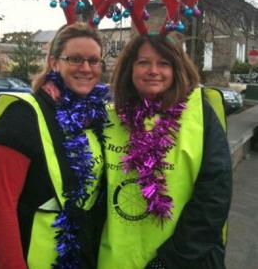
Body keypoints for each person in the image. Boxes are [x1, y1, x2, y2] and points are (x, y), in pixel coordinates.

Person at [0, 22, 110, 269]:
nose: (86, 68)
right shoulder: (22, 115)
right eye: (74, 59)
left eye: (94, 61)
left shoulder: (94, 117)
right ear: (53, 62)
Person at [97, 32, 232, 269]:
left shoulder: (200, 114)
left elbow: (214, 197)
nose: (153, 70)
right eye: (143, 62)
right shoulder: (108, 115)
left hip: (181, 260)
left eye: (163, 63)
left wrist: (169, 261)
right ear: (129, 68)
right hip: (114, 260)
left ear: (177, 69)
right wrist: (52, 82)